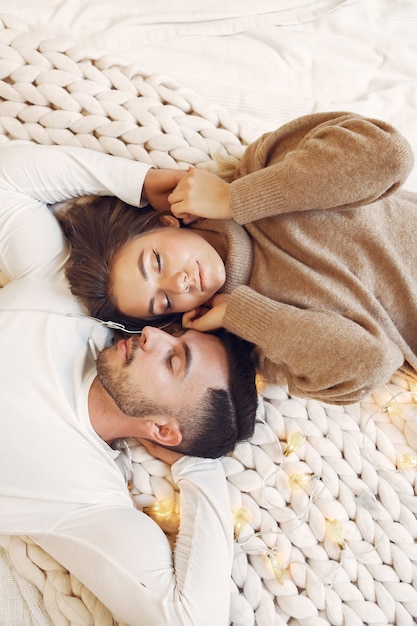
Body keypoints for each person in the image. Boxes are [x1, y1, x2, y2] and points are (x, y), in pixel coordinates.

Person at [0, 142, 258, 626]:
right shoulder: (67, 298)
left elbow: (189, 619)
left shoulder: (83, 499)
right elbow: (6, 179)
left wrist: (198, 470)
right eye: (171, 334)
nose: (152, 337)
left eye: (173, 361)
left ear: (162, 429)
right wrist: (139, 180)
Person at [58, 111, 417, 405]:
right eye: (163, 300)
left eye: (156, 262)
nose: (178, 283)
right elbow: (371, 364)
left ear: (164, 221)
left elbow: (388, 154)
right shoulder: (259, 337)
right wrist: (241, 314)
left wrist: (236, 199)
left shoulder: (259, 170)